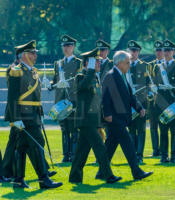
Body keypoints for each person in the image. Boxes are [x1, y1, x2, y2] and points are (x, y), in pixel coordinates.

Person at [5, 40, 62, 189]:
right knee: (38, 144)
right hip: (24, 115)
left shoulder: (32, 71)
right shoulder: (17, 71)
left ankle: (18, 180)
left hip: (33, 115)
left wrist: (39, 113)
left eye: (35, 53)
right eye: (31, 53)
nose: (35, 55)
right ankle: (43, 179)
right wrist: (15, 118)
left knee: (22, 147)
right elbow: (12, 97)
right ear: (23, 55)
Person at [69, 48, 121, 184]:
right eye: (96, 62)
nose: (99, 64)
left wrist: (100, 122)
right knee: (100, 148)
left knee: (82, 151)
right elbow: (82, 87)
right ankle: (108, 175)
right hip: (85, 120)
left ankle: (74, 177)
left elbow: (97, 101)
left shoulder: (95, 77)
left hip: (92, 121)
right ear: (88, 64)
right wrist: (91, 70)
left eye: (99, 62)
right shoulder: (81, 76)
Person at [98, 50, 153, 180]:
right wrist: (107, 114)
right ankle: (136, 171)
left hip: (120, 117)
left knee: (110, 146)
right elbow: (105, 97)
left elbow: (130, 95)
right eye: (127, 63)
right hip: (114, 118)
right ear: (120, 63)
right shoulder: (110, 76)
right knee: (128, 143)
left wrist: (139, 108)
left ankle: (101, 172)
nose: (129, 65)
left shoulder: (122, 76)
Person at [152, 39, 175, 164]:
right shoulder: (157, 66)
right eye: (164, 50)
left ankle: (174, 156)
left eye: (169, 50)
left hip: (173, 101)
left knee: (174, 131)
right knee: (163, 130)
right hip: (161, 102)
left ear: (173, 51)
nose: (166, 52)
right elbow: (154, 82)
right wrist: (154, 86)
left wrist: (171, 85)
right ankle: (164, 156)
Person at [49, 35, 81, 162]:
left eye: (68, 46)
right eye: (64, 46)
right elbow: (56, 78)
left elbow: (80, 80)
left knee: (73, 127)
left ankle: (73, 154)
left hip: (72, 99)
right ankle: (65, 154)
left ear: (73, 47)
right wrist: (51, 83)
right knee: (64, 128)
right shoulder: (58, 63)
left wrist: (70, 84)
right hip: (60, 99)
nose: (66, 48)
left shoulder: (78, 62)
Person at [127, 40, 150, 164]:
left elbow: (149, 83)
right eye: (131, 50)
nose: (133, 53)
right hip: (129, 103)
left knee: (141, 130)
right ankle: (132, 154)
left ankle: (140, 155)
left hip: (141, 102)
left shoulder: (145, 66)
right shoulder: (124, 65)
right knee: (131, 130)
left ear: (139, 52)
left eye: (135, 51)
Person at [147, 40, 164, 157]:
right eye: (157, 50)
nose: (159, 52)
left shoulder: (166, 65)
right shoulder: (149, 65)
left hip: (164, 101)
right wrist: (150, 87)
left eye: (161, 50)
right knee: (153, 127)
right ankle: (155, 150)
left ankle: (163, 149)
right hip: (153, 101)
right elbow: (145, 81)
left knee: (163, 127)